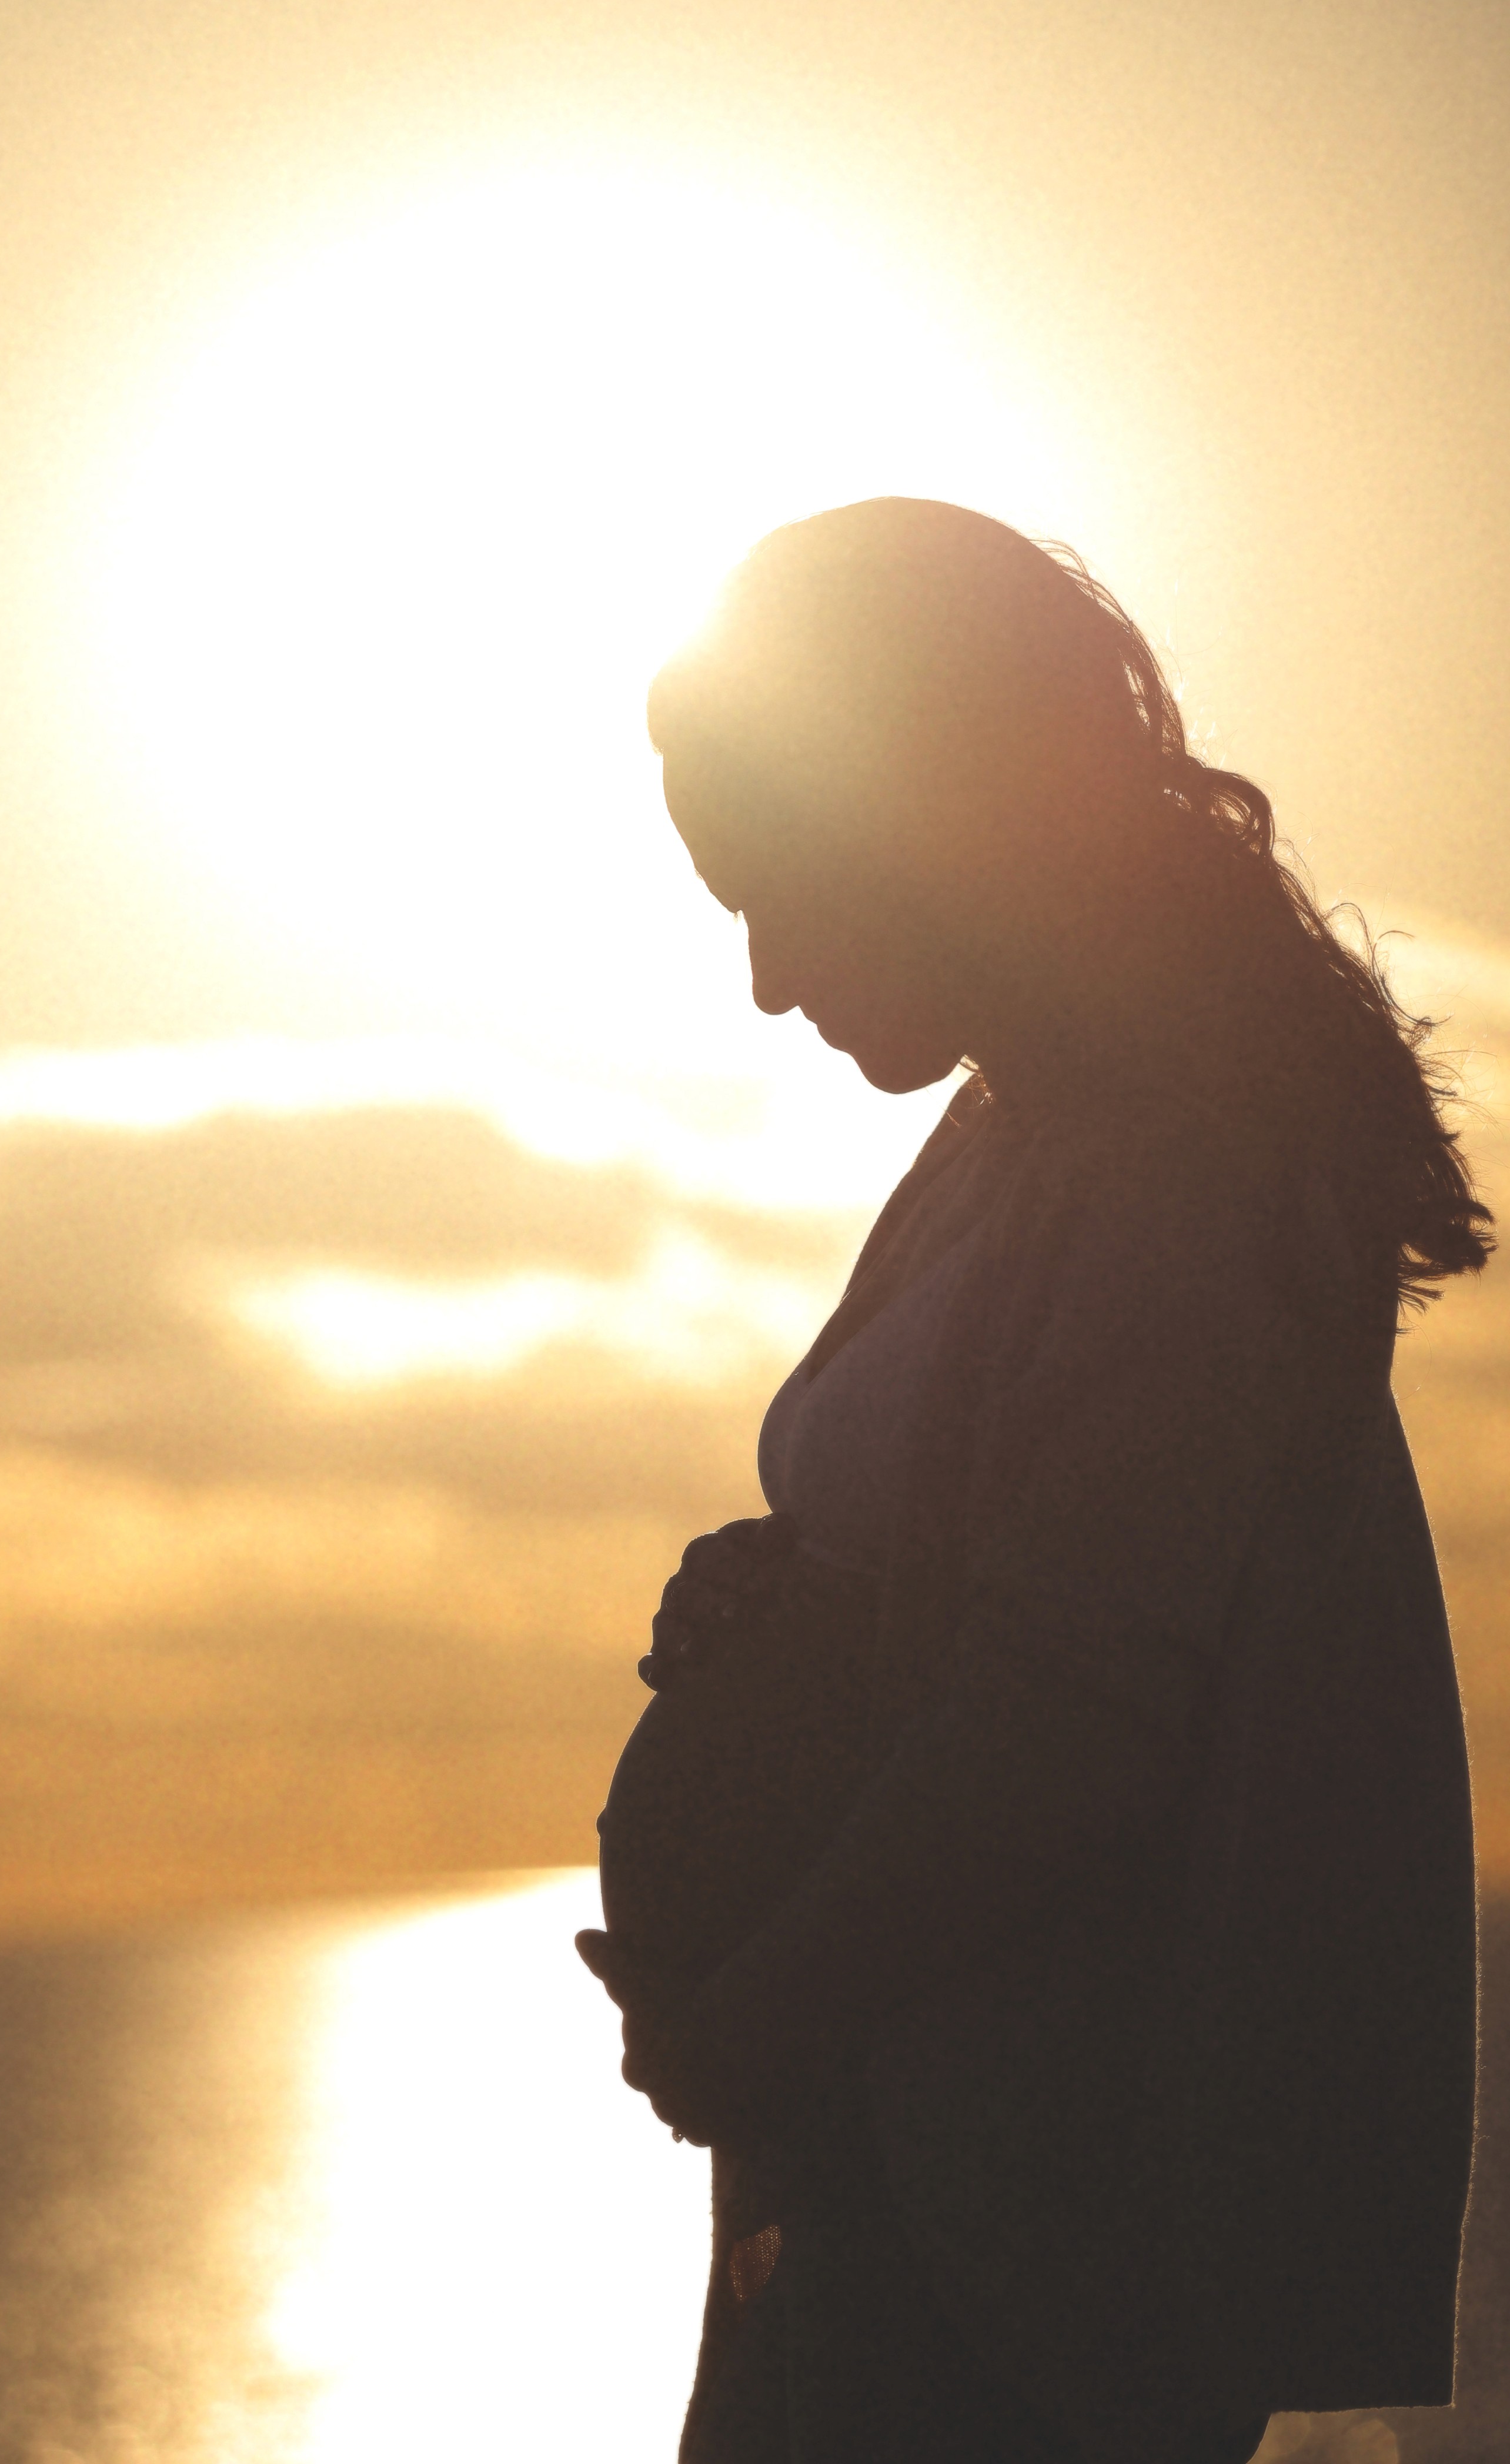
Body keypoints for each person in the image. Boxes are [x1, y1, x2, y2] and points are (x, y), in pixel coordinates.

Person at [576, 498, 1488, 2464]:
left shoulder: (1181, 1169)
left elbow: (1072, 1723)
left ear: (936, 823)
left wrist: (752, 2015)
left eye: (780, 889)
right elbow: (978, 1567)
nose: (759, 981)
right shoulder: (1031, 1135)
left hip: (1026, 2215)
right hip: (902, 2161)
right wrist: (776, 1608)